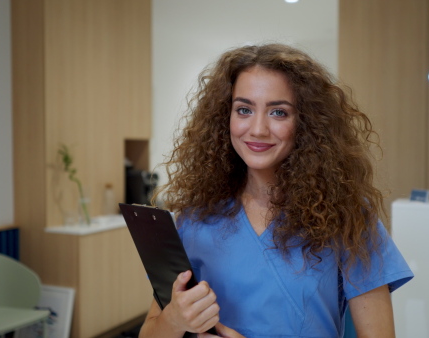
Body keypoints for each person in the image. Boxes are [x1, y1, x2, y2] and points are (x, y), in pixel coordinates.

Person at [139, 43, 413, 338]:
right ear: (225, 117)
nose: (257, 129)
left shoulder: (348, 217)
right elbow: (150, 331)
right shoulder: (196, 218)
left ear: (306, 123)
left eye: (278, 113)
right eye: (243, 109)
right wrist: (175, 321)